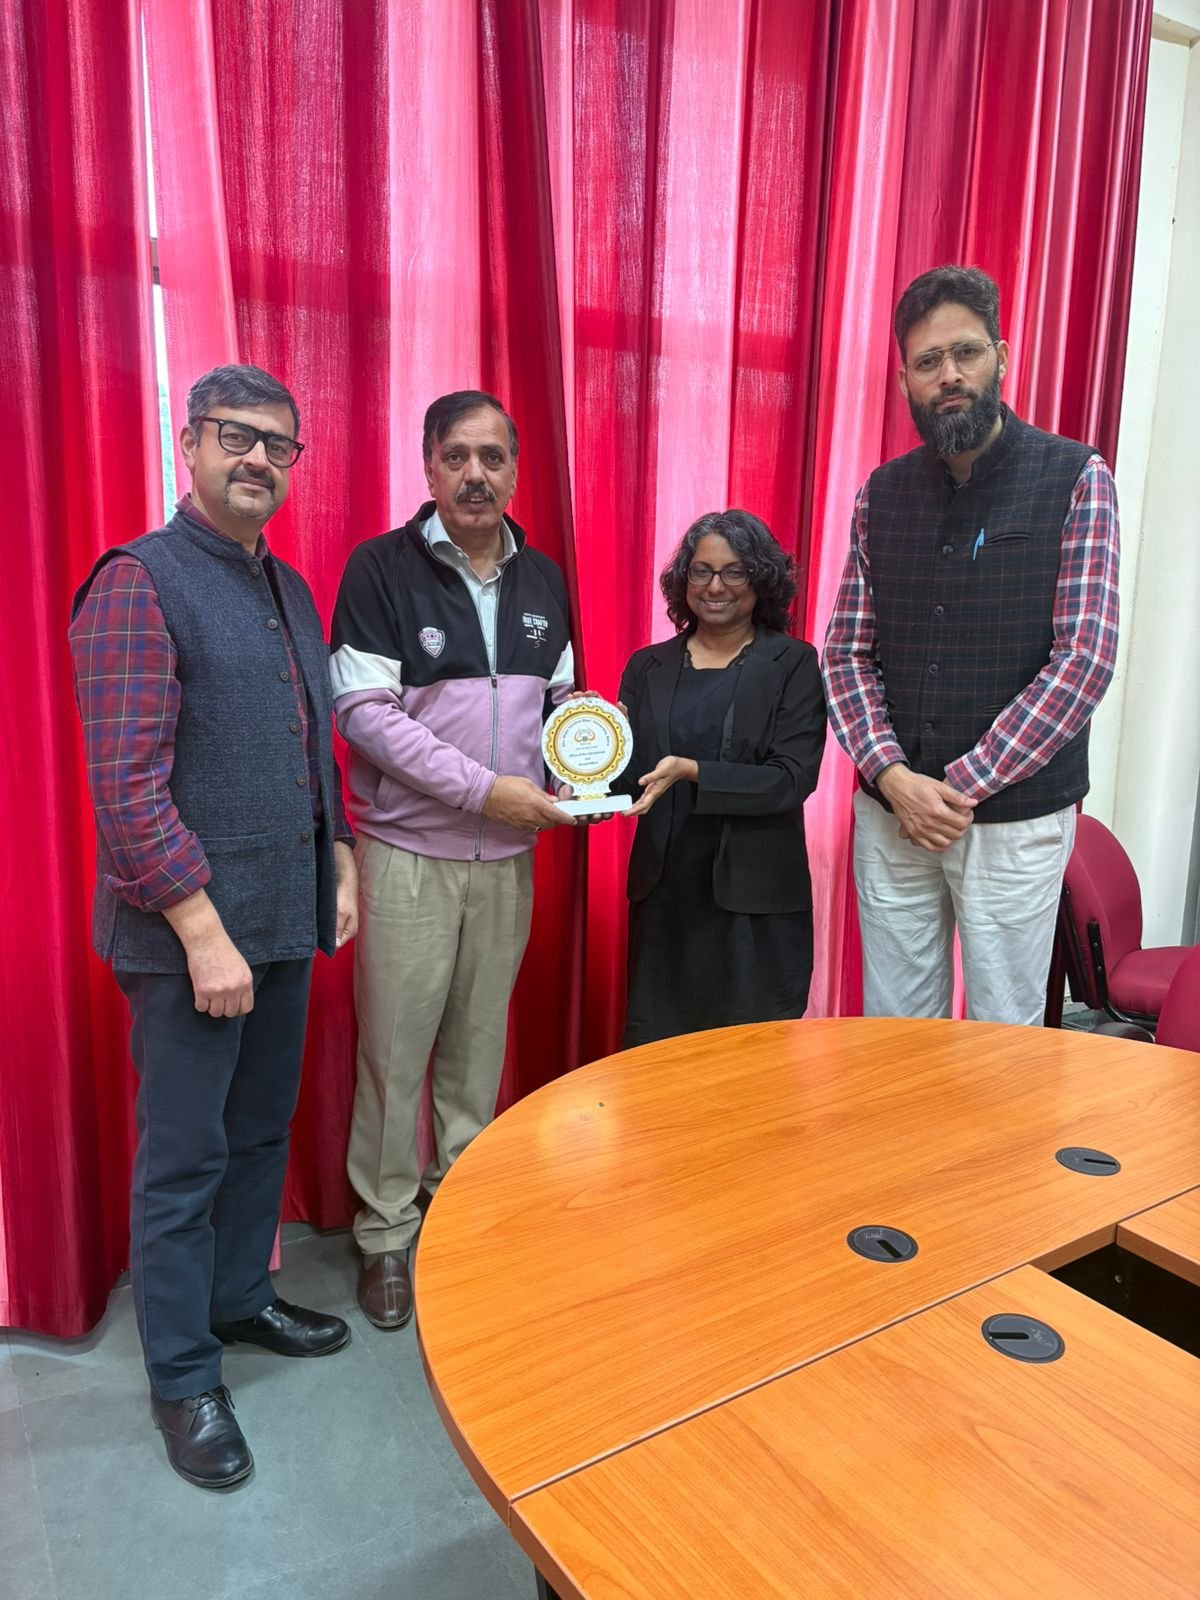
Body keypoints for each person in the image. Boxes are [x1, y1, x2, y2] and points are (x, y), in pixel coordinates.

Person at [68, 364, 358, 1490]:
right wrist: (199, 930)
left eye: (279, 445)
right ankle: (184, 1377)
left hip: (282, 916)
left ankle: (240, 1299)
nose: (258, 459)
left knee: (258, 1135)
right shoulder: (138, 581)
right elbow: (127, 786)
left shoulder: (290, 588)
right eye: (237, 436)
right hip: (186, 940)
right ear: (187, 443)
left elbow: (313, 741)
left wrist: (338, 853)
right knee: (184, 1160)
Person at [330, 390, 575, 1331]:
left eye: (493, 458)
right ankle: (386, 1234)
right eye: (457, 456)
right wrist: (486, 791)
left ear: (515, 470)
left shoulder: (544, 578)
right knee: (394, 1056)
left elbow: (563, 706)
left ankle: (456, 1211)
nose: (476, 474)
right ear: (429, 465)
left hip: (510, 859)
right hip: (408, 858)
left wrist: (582, 766)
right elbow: (366, 717)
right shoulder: (380, 568)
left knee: (479, 1052)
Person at [823, 265, 1120, 1025]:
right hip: (893, 812)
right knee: (895, 1032)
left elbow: (1084, 659)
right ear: (905, 381)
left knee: (1004, 1036)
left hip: (1014, 818)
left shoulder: (1075, 477)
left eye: (966, 352)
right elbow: (846, 654)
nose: (949, 375)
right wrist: (893, 777)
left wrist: (958, 786)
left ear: (1002, 356)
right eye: (928, 361)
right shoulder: (880, 494)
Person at [615, 509, 827, 1046]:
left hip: (755, 909)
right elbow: (630, 778)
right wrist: (586, 752)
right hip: (666, 905)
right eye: (701, 571)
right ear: (683, 579)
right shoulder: (646, 666)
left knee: (750, 1066)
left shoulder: (794, 663)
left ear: (761, 579)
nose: (715, 587)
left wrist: (692, 772)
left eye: (735, 572)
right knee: (658, 1063)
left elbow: (790, 779)